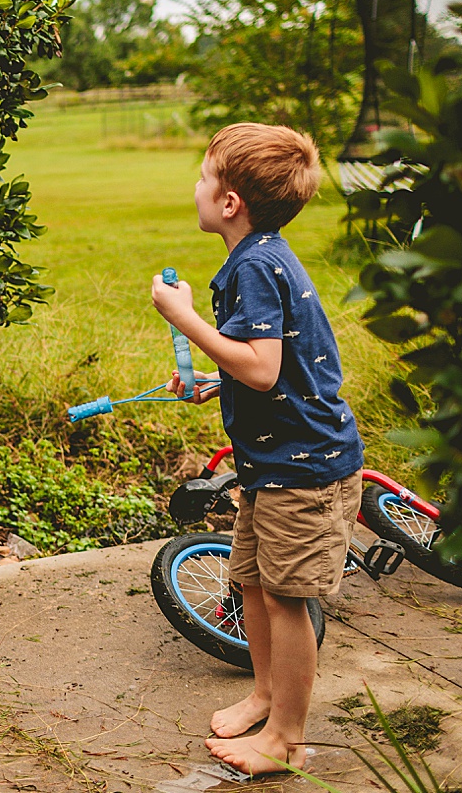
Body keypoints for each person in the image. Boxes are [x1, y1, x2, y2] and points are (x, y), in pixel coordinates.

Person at [150, 123, 364, 776]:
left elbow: (266, 368)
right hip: (273, 464)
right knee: (251, 580)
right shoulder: (262, 256)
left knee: (287, 598)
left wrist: (184, 319)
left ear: (230, 202)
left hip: (304, 469)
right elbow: (269, 365)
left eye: (205, 175)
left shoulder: (255, 268)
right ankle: (266, 697)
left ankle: (288, 740)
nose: (197, 185)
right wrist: (219, 381)